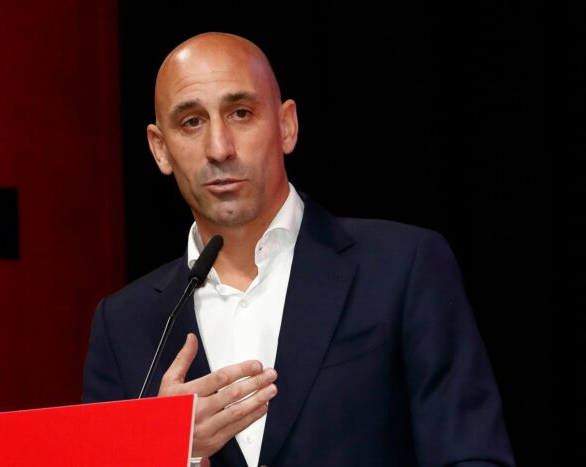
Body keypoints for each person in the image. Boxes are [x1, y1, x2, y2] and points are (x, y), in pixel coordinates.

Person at [82, 32, 514, 467]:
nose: (219, 148)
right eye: (192, 122)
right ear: (160, 149)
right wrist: (164, 447)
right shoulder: (123, 325)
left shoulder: (403, 267)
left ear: (286, 125)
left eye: (241, 113)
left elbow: (473, 457)